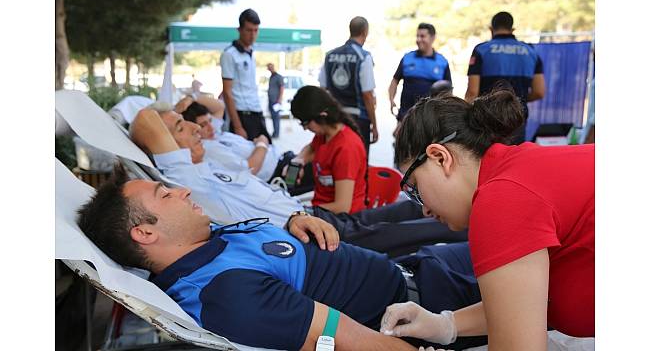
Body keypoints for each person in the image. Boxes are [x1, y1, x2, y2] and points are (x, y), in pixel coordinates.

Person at [76, 163, 483, 350]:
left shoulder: (205, 243)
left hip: (422, 267)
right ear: (145, 233)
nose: (182, 191)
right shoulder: (226, 293)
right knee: (541, 278)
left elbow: (269, 251)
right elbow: (355, 344)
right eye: (165, 195)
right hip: (433, 307)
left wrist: (295, 221)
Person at [380, 89, 594, 349]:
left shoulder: (501, 199)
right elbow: (524, 303)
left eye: (414, 189)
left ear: (440, 157)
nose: (424, 210)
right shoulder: (517, 169)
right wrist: (446, 324)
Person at [129, 107, 468, 257]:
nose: (195, 128)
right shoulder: (184, 179)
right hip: (309, 234)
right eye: (179, 127)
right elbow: (145, 119)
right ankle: (483, 226)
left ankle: (478, 212)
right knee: (423, 229)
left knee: (407, 210)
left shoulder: (203, 166)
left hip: (313, 215)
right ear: (165, 146)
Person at [464, 11, 545, 144]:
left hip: (487, 121)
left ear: (491, 29)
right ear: (512, 29)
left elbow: (473, 92)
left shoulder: (481, 50)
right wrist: (519, 99)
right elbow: (539, 92)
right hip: (517, 118)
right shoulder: (530, 52)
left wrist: (465, 118)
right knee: (514, 161)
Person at [290, 86, 367, 214]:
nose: (305, 128)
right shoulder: (324, 134)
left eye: (306, 123)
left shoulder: (346, 148)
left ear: (322, 116)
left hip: (343, 220)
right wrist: (299, 160)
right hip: (321, 211)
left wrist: (304, 211)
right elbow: (310, 148)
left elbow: (342, 207)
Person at [319, 16, 378, 154]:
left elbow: (322, 89)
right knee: (358, 161)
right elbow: (367, 95)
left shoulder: (330, 55)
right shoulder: (364, 57)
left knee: (335, 157)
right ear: (365, 32)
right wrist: (374, 125)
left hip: (334, 118)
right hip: (358, 119)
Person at [220, 8, 271, 142]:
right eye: (249, 30)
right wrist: (237, 126)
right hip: (242, 115)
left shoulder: (251, 52)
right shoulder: (229, 54)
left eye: (256, 30)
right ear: (239, 30)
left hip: (256, 111)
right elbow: (227, 91)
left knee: (267, 149)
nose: (253, 35)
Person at [388, 23, 452, 123]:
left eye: (422, 36)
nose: (418, 40)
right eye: (417, 36)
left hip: (430, 119)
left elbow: (448, 90)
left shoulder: (442, 62)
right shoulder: (407, 58)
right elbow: (395, 81)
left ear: (432, 38)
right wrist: (391, 100)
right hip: (406, 117)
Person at [266, 63, 284, 138]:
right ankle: (274, 132)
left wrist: (279, 99)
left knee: (276, 117)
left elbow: (282, 88)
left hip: (276, 101)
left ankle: (276, 133)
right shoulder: (271, 77)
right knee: (273, 117)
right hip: (271, 100)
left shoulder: (278, 77)